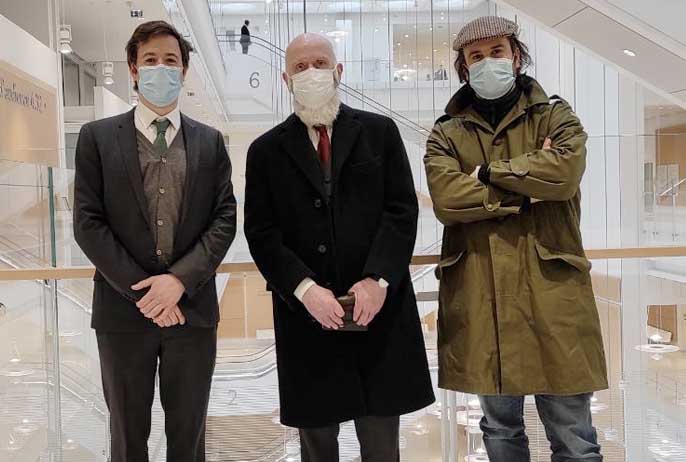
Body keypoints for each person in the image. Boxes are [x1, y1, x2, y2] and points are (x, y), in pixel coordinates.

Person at [423, 16, 608, 462]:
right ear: (464, 67)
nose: (488, 62)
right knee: (500, 431)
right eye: (476, 56)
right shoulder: (447, 131)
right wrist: (526, 189)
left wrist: (486, 173)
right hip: (481, 299)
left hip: (552, 297)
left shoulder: (555, 115)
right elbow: (447, 199)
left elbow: (563, 174)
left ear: (516, 56)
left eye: (497, 51)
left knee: (574, 436)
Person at [244, 33, 435, 462]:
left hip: (378, 314)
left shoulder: (380, 133)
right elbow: (261, 233)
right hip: (306, 320)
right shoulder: (265, 151)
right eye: (299, 67)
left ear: (338, 71)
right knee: (317, 448)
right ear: (286, 79)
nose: (311, 73)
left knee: (382, 446)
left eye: (320, 63)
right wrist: (304, 289)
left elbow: (401, 211)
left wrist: (378, 279)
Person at [73, 20, 237, 462]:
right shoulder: (97, 138)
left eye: (170, 60)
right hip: (122, 315)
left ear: (184, 70)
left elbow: (224, 219)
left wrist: (178, 281)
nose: (160, 68)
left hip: (192, 313)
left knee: (189, 438)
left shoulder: (210, 142)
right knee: (127, 440)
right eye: (150, 60)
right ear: (133, 68)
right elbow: (88, 223)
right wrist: (146, 293)